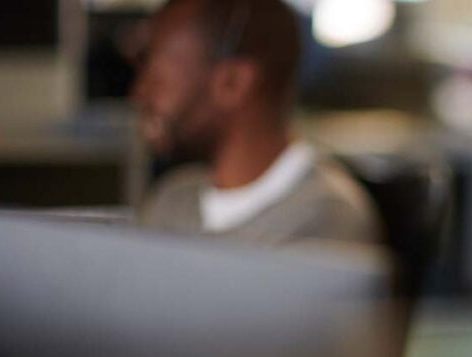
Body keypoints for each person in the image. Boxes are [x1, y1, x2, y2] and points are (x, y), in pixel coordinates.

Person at [132, 0, 382, 247]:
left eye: (158, 77)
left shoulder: (327, 220)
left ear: (233, 82)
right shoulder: (171, 200)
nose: (140, 93)